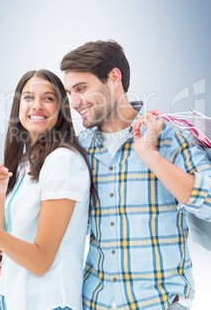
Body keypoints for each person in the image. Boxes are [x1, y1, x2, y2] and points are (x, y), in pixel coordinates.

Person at [59, 40, 211, 310]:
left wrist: (150, 155)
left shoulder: (170, 138)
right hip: (95, 302)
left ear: (113, 78)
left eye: (81, 89)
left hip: (160, 303)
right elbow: (64, 227)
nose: (74, 102)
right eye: (70, 92)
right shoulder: (79, 150)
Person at [0, 69, 95, 310]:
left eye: (48, 98)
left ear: (61, 109)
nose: (37, 105)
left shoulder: (63, 161)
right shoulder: (26, 161)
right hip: (11, 297)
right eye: (28, 97)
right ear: (18, 105)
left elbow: (40, 262)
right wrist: (0, 193)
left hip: (48, 302)